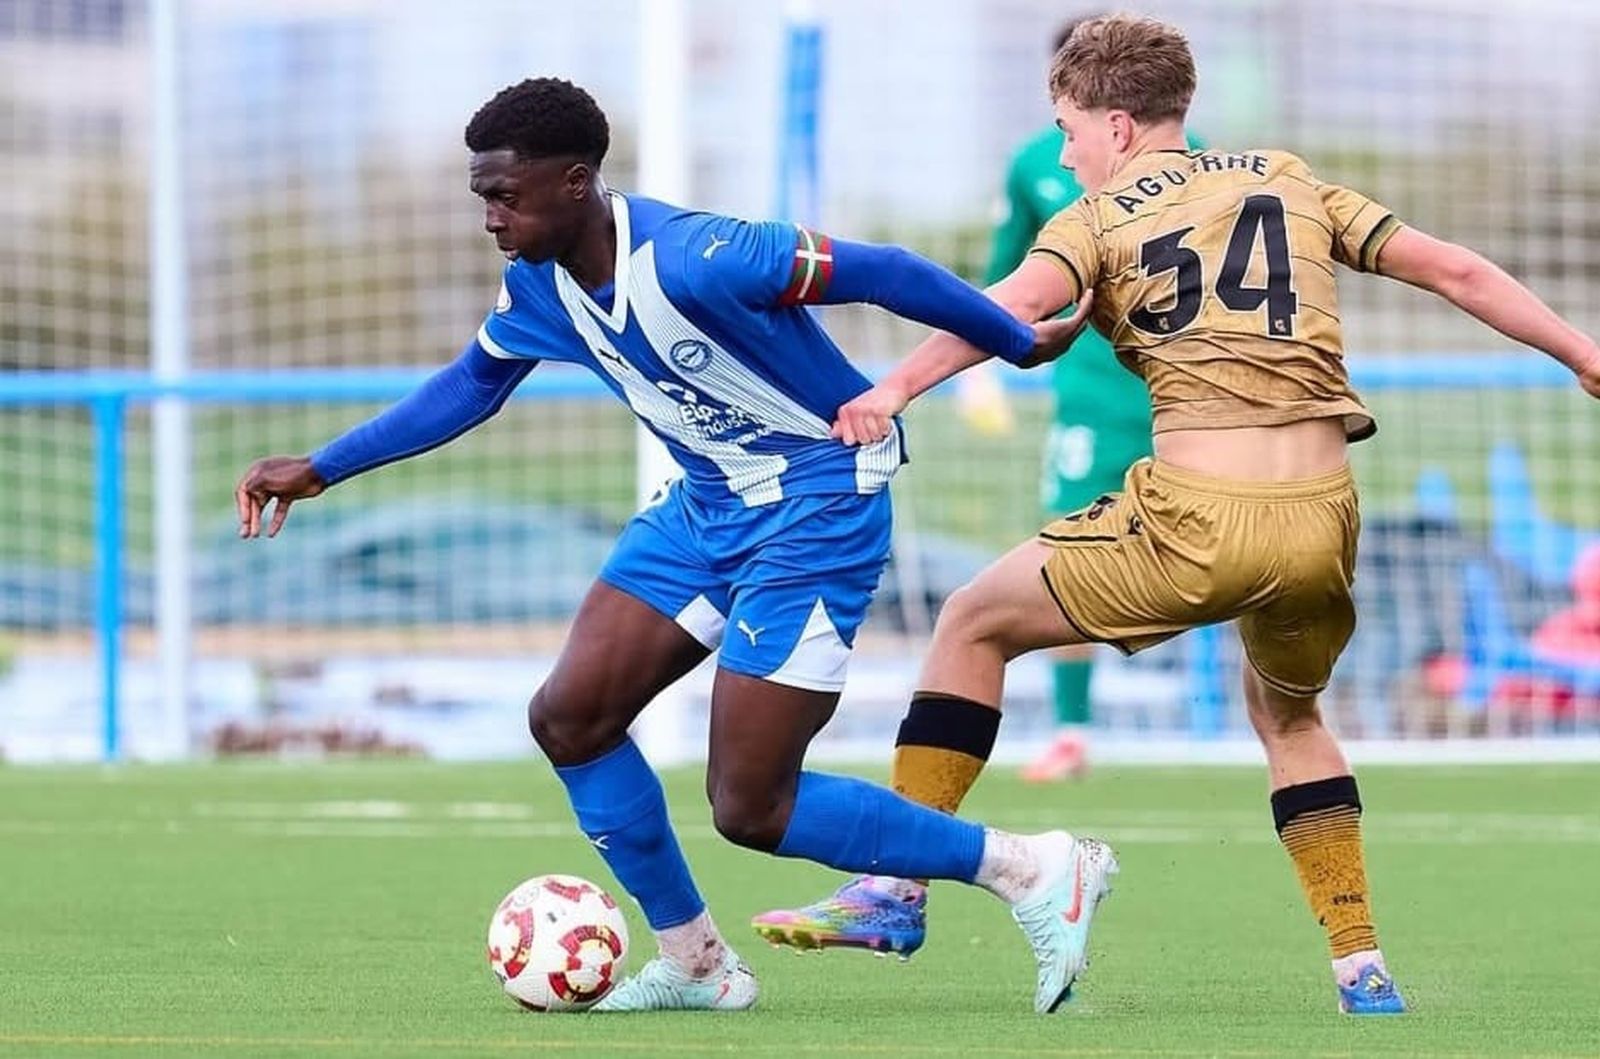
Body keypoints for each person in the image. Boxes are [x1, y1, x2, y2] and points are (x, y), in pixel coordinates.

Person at [755, 15, 1600, 1016]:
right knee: (1289, 715)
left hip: (1198, 517)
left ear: (1115, 125)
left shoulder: (1094, 216)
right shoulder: (1288, 177)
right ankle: (1361, 967)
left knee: (971, 621)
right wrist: (1583, 355)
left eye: (1068, 130)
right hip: (1322, 521)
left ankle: (895, 891)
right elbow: (1454, 268)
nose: (1064, 155)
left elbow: (1004, 307)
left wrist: (892, 389)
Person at [234, 77, 1108, 1016]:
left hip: (817, 506)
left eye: (505, 195)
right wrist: (323, 467)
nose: (491, 217)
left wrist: (1012, 340)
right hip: (706, 507)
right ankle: (696, 963)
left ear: (575, 182)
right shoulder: (538, 285)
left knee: (751, 804)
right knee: (570, 717)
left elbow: (886, 270)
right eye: (483, 196)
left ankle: (1031, 867)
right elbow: (470, 386)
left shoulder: (702, 256)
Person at [984, 13, 1203, 782]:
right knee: (1067, 550)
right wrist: (972, 369)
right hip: (1087, 398)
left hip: (1186, 395)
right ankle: (1073, 727)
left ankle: (1273, 713)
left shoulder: (1197, 161)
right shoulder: (1037, 166)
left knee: (1242, 551)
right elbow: (1005, 278)